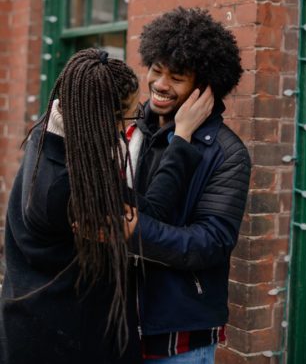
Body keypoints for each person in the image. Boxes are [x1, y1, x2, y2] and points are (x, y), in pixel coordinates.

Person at [0, 48, 212, 363]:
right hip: (64, 343)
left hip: (28, 329)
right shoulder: (72, 185)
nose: (130, 126)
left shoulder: (48, 137)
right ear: (100, 119)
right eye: (129, 116)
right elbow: (152, 211)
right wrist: (181, 136)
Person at [129, 7, 251, 363]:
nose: (161, 84)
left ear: (204, 87)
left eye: (177, 77)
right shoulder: (132, 131)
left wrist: (134, 231)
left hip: (179, 330)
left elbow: (211, 243)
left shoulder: (227, 153)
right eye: (156, 70)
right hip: (118, 323)